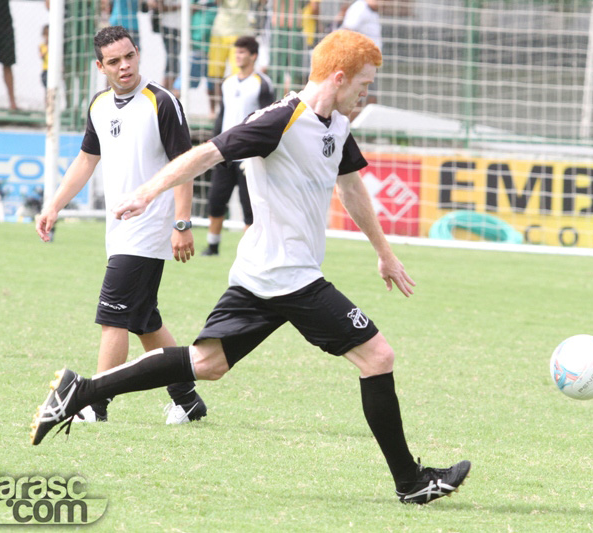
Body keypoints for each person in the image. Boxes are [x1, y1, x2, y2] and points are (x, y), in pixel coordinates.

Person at [30, 29, 470, 505]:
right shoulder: (279, 119)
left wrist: (384, 252)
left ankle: (79, 391)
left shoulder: (338, 124)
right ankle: (411, 482)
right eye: (364, 83)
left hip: (262, 274)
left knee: (208, 364)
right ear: (340, 78)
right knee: (377, 357)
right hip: (289, 276)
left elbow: (350, 187)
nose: (367, 93)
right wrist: (148, 193)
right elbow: (206, 153)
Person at [34, 26, 207, 425]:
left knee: (113, 317)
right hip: (119, 230)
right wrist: (54, 205)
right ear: (101, 67)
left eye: (129, 56)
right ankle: (187, 400)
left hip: (150, 227)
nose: (124, 66)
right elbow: (86, 160)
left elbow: (184, 165)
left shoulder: (162, 101)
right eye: (114, 61)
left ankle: (95, 406)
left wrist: (182, 223)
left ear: (138, 54)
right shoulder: (98, 105)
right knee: (144, 320)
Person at [202, 35, 274, 256]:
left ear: (253, 56)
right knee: (216, 200)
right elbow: (222, 115)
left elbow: (269, 119)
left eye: (242, 52)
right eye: (236, 52)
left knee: (249, 206)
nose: (238, 56)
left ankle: (249, 252)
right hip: (225, 153)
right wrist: (214, 141)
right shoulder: (227, 82)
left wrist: (260, 150)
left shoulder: (262, 83)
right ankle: (213, 245)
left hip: (248, 157)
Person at [208, 0, 256, 112]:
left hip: (240, 32)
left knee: (239, 73)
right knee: (215, 75)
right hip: (220, 32)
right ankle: (216, 110)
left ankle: (235, 108)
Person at [340, 0, 379, 111]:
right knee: (359, 99)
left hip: (371, 62)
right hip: (362, 62)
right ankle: (350, 121)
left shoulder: (372, 10)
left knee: (370, 98)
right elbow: (346, 31)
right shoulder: (359, 8)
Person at [39, 25, 48, 90]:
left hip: (55, 69)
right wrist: (47, 49)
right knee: (47, 88)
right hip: (46, 69)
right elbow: (41, 56)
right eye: (46, 34)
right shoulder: (41, 46)